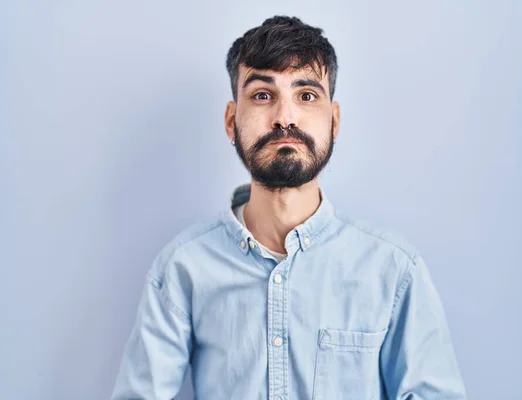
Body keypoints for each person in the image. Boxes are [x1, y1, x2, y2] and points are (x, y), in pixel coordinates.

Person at [111, 15, 467, 400]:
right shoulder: (182, 270)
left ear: (334, 121)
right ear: (232, 121)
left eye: (307, 95)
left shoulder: (394, 271)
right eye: (263, 95)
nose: (285, 117)